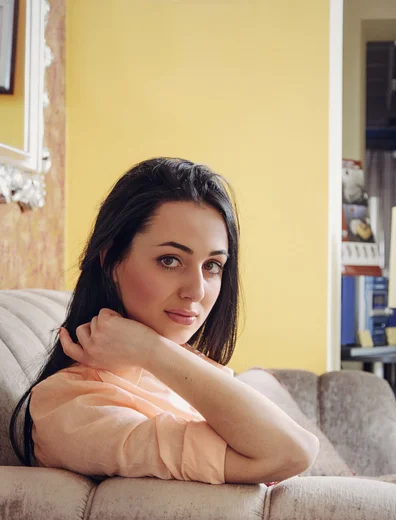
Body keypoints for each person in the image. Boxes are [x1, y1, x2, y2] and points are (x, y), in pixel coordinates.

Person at [9, 157, 319, 485]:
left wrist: (154, 354)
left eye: (212, 265)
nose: (197, 291)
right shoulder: (73, 407)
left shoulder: (170, 369)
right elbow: (293, 452)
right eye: (169, 260)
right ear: (111, 259)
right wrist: (150, 350)